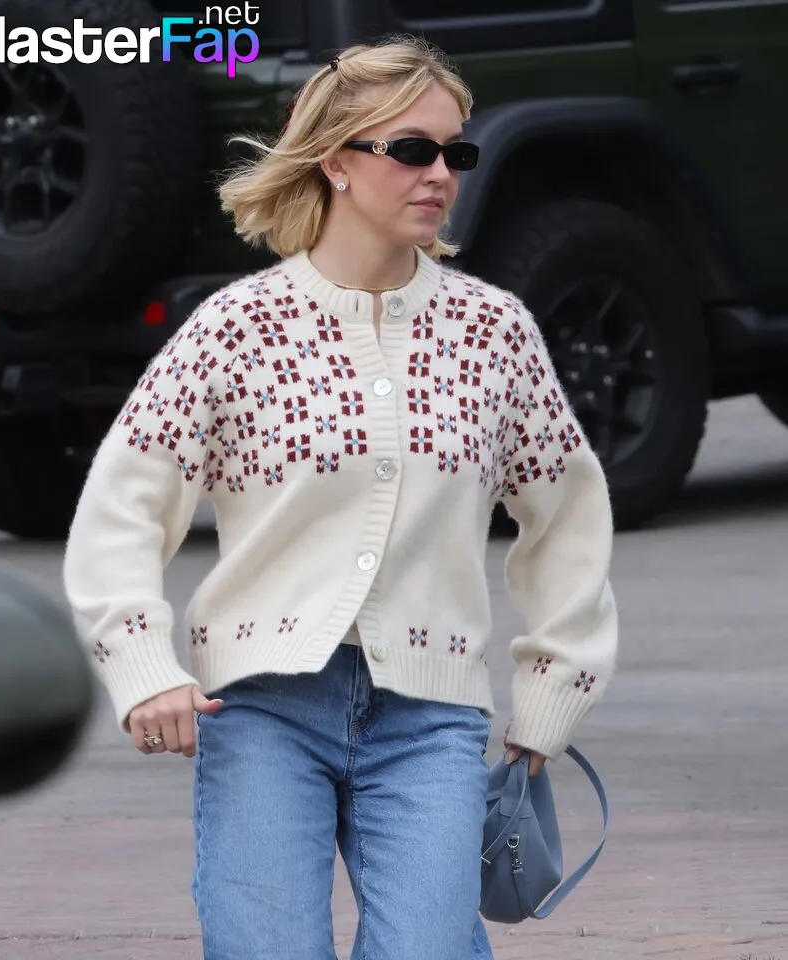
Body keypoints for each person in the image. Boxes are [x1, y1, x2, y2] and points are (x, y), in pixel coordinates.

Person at [62, 34, 618, 960]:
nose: (440, 173)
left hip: (431, 716)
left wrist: (552, 689)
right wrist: (141, 664)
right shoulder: (236, 329)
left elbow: (567, 516)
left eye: (455, 151)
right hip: (261, 711)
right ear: (335, 161)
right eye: (412, 149)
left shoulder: (494, 332)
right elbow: (123, 503)